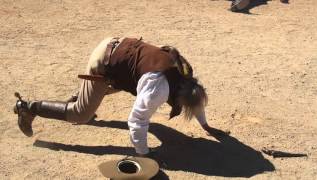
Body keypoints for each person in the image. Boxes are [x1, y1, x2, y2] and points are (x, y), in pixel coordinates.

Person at [13, 37, 229, 157]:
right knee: (81, 114)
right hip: (105, 64)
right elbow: (136, 121)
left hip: (121, 52)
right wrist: (143, 154)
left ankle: (85, 94)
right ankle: (28, 107)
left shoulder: (185, 74)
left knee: (123, 86)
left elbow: (195, 100)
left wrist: (206, 126)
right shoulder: (158, 89)